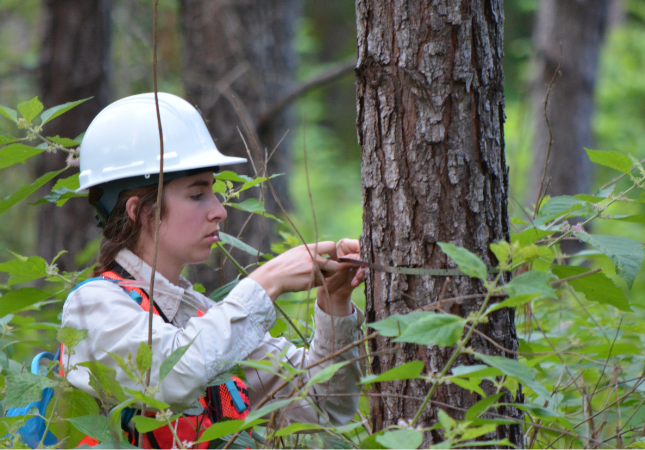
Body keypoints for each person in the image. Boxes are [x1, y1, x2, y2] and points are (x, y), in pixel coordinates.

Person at [61, 93, 365, 448]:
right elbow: (171, 377)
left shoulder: (204, 316)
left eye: (214, 192)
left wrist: (336, 304)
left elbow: (323, 410)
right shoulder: (92, 307)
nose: (219, 211)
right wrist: (267, 283)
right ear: (139, 211)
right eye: (197, 194)